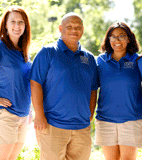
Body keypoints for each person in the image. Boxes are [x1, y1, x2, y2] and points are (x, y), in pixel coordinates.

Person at [29, 12, 98, 160]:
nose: (74, 30)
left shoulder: (89, 58)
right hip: (53, 125)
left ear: (83, 30)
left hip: (81, 127)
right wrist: (39, 116)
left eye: (78, 27)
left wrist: (90, 114)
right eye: (69, 27)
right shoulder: (48, 52)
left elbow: (93, 89)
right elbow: (35, 84)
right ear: (60, 28)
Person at [0, 6, 32, 160]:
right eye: (13, 22)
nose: (17, 26)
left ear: (25, 26)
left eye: (21, 22)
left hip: (22, 117)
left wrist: (29, 111)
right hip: (3, 116)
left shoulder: (23, 52)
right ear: (5, 24)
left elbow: (23, 84)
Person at [95, 22, 142, 160]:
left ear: (129, 38)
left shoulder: (138, 60)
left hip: (131, 120)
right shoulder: (100, 61)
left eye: (121, 36)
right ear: (108, 40)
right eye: (113, 37)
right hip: (105, 120)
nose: (117, 40)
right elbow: (91, 88)